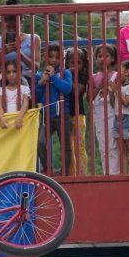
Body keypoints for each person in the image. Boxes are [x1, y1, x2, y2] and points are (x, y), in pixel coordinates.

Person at [35, 44, 73, 174]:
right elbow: (35, 97)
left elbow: (67, 89)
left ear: (62, 59)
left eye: (57, 57)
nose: (54, 60)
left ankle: (65, 173)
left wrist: (54, 77)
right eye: (51, 57)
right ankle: (48, 170)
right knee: (40, 143)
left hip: (63, 115)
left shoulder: (65, 73)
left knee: (66, 145)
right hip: (46, 116)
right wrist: (41, 83)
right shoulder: (40, 75)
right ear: (46, 58)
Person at [0, 0, 42, 81]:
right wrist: (3, 52)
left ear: (22, 22)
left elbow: (36, 67)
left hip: (29, 81)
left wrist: (19, 53)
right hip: (8, 82)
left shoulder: (34, 39)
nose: (11, 30)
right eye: (8, 27)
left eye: (14, 27)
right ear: (3, 23)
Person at [91, 44, 120, 175]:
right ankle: (105, 173)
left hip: (112, 112)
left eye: (106, 56)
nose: (103, 59)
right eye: (99, 56)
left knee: (113, 144)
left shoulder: (117, 75)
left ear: (112, 58)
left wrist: (111, 88)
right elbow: (89, 97)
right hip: (98, 113)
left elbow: (118, 95)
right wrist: (100, 86)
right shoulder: (94, 77)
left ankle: (115, 172)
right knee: (103, 145)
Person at [65, 47, 89, 175]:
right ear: (67, 63)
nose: (74, 66)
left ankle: (82, 174)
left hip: (78, 115)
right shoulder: (63, 74)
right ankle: (71, 174)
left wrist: (69, 76)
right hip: (65, 114)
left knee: (79, 146)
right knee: (69, 147)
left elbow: (76, 91)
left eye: (78, 63)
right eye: (71, 63)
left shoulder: (82, 76)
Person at [114, 60, 129, 173]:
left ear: (128, 72)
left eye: (121, 70)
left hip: (128, 118)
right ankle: (124, 175)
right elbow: (113, 103)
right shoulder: (121, 86)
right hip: (117, 117)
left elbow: (126, 102)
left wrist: (116, 90)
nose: (119, 73)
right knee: (122, 151)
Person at [0, 60, 30, 129]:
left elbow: (25, 103)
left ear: (20, 73)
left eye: (14, 71)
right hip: (6, 122)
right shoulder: (1, 90)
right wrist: (2, 119)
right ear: (5, 75)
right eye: (8, 72)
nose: (11, 74)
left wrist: (20, 118)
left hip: (20, 121)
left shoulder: (25, 88)